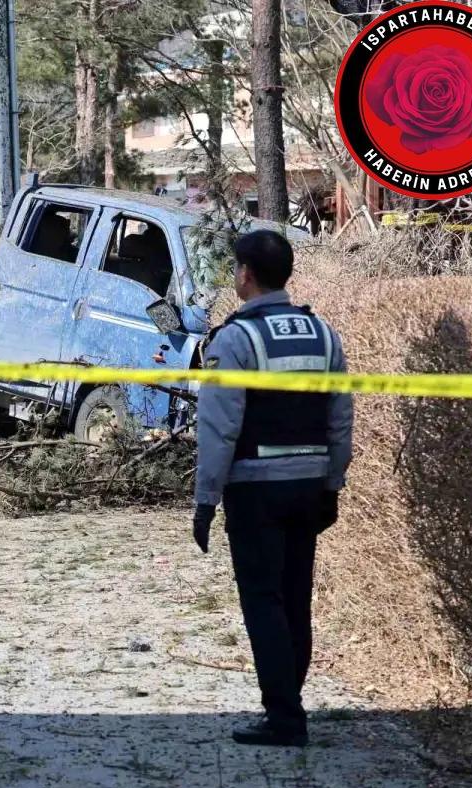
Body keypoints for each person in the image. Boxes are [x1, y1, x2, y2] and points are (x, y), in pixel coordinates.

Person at [192, 230, 354, 748]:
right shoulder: (323, 334)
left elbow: (219, 426)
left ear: (245, 274)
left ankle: (285, 717)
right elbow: (340, 416)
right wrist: (333, 481)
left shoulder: (235, 339)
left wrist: (205, 498)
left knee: (263, 601)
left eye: (236, 268)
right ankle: (289, 704)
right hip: (310, 488)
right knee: (293, 599)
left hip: (257, 490)